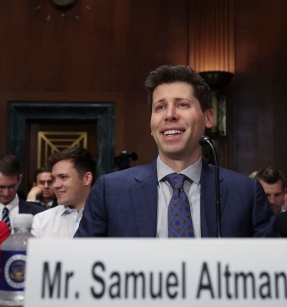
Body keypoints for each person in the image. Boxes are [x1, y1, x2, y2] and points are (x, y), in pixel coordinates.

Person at [76, 65, 275, 237]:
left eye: (182, 104)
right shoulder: (109, 191)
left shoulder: (246, 193)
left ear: (208, 118)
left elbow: (271, 270)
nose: (170, 115)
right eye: (160, 107)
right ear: (151, 124)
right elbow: (81, 266)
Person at [32, 147, 95, 238]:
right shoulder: (41, 221)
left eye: (63, 177)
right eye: (53, 179)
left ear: (87, 178)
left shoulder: (109, 218)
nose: (55, 185)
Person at [0, 154, 45, 232]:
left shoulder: (39, 214)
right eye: (0, 187)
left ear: (20, 180)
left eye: (11, 187)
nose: (6, 193)